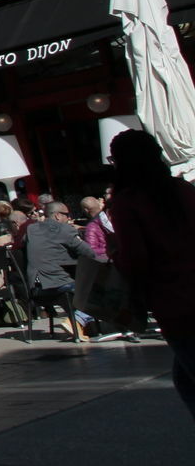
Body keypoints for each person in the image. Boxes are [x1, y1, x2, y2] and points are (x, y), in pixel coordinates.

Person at [106, 129, 195, 418]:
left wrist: (115, 255)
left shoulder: (127, 202)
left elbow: (136, 259)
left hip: (175, 299)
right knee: (185, 378)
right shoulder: (182, 190)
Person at [23, 200, 96, 340]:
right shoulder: (65, 229)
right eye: (66, 214)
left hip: (35, 285)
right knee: (100, 287)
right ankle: (77, 320)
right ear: (57, 216)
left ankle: (81, 324)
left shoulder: (31, 229)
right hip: (57, 284)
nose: (69, 218)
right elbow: (89, 253)